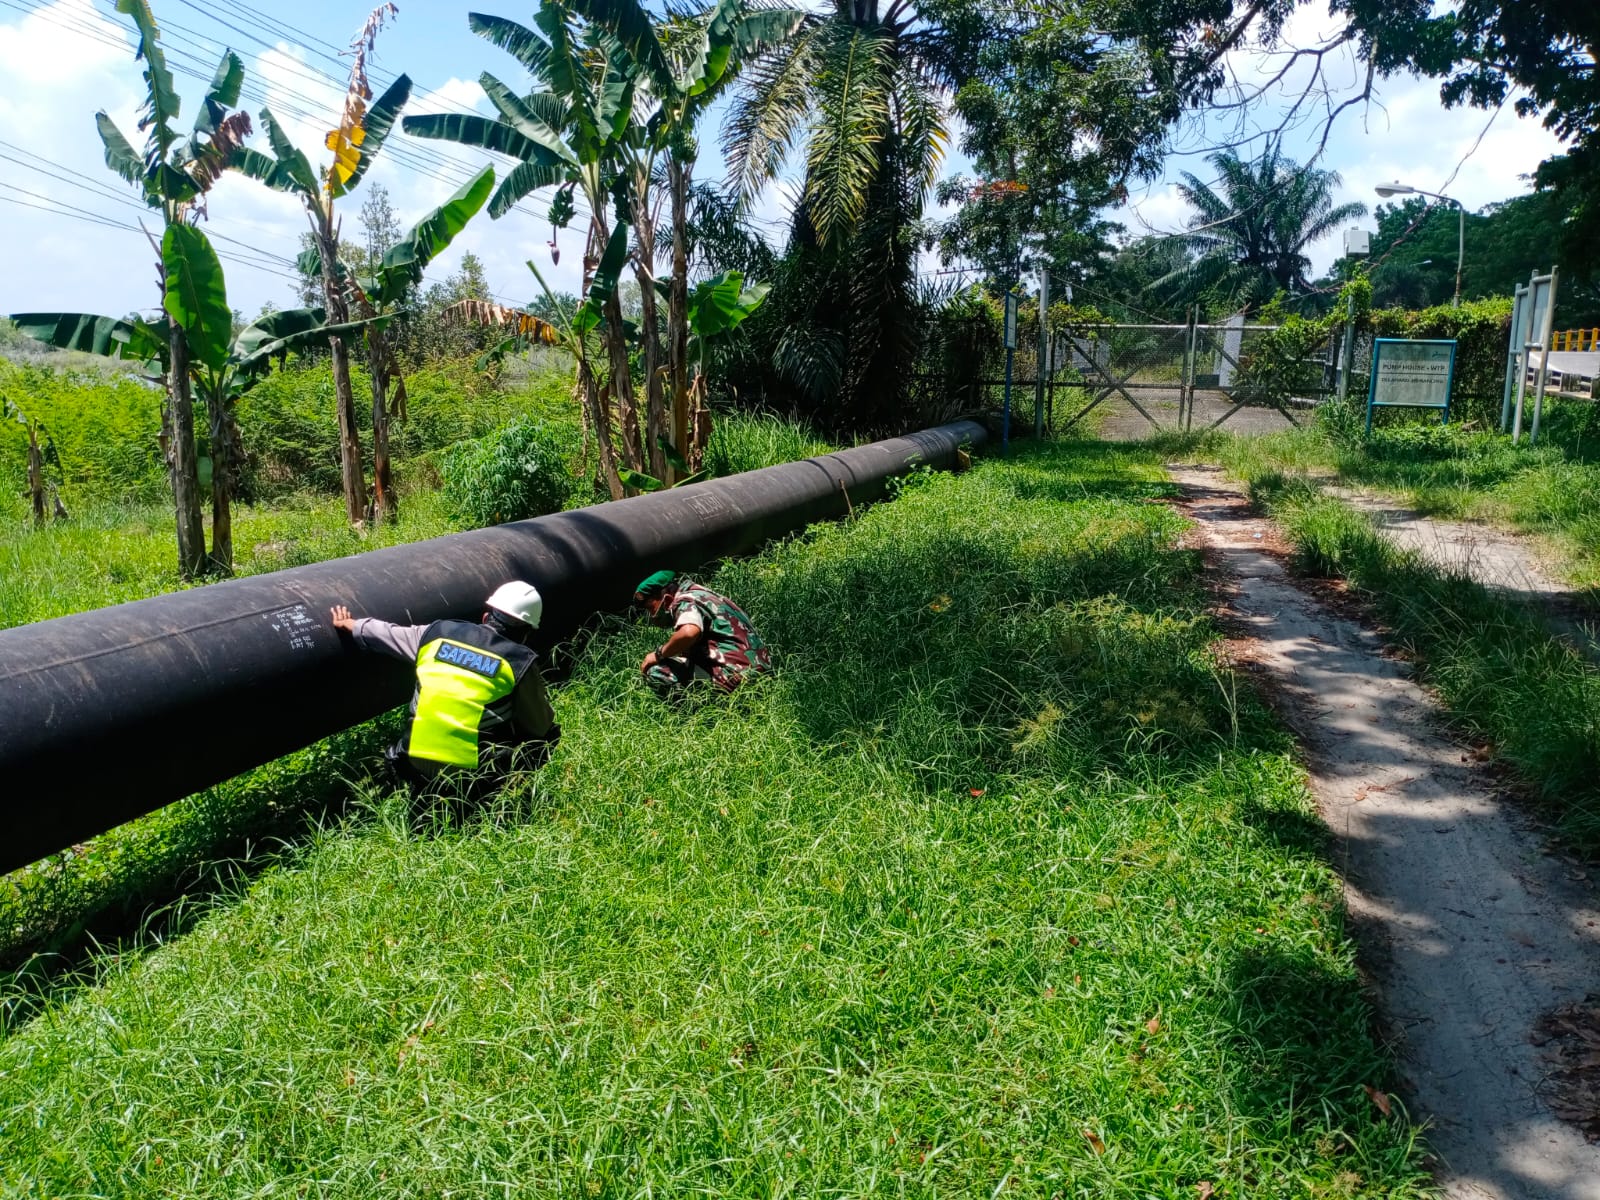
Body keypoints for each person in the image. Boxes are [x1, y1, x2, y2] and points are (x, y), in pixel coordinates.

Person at [329, 581, 559, 793]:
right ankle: (496, 800)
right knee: (549, 735)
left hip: (412, 760)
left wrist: (352, 624)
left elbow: (388, 634)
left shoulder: (436, 635)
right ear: (527, 633)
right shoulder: (519, 662)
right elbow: (540, 726)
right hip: (469, 778)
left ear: (486, 615)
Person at [633, 570, 772, 697]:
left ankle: (697, 718)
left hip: (738, 676)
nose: (652, 616)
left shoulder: (684, 602)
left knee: (657, 672)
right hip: (760, 672)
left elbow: (688, 633)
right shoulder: (701, 594)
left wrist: (658, 654)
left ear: (667, 599)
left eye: (651, 608)